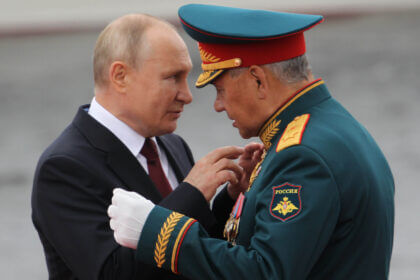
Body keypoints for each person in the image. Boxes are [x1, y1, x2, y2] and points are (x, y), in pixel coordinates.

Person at [108, 4, 395, 280]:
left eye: (220, 89)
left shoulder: (302, 155)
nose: (218, 105)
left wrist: (160, 232)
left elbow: (265, 272)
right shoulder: (329, 127)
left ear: (258, 80)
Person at [31, 13, 257, 280]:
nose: (187, 95)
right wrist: (193, 192)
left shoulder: (172, 146)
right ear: (120, 76)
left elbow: (193, 250)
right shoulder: (63, 167)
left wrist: (228, 197)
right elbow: (110, 273)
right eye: (173, 77)